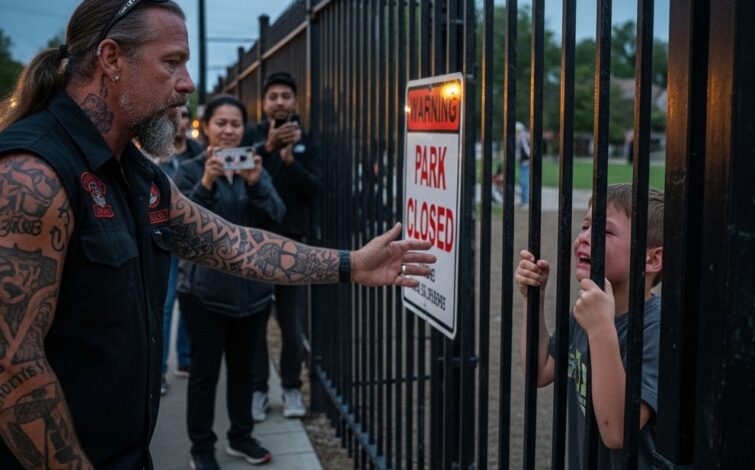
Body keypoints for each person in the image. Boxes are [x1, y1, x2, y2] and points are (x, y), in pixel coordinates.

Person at [0, 1, 434, 468]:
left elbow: (235, 244)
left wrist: (352, 264)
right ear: (111, 59)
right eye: (172, 62)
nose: (187, 82)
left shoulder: (136, 173)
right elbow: (12, 366)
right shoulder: (32, 175)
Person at [515, 184, 664, 469]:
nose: (584, 238)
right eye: (585, 226)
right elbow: (540, 370)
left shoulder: (654, 330)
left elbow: (618, 432)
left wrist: (600, 329)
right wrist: (534, 299)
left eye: (605, 232)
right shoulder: (587, 313)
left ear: (652, 259)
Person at [174, 94, 286, 467]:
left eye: (235, 124)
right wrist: (207, 182)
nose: (228, 130)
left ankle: (242, 437)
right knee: (204, 375)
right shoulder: (189, 170)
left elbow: (276, 216)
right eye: (220, 123)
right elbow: (182, 230)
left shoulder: (254, 167)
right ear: (206, 128)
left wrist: (255, 183)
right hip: (204, 294)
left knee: (244, 371)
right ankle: (201, 449)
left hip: (253, 294)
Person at [249, 71, 321, 422]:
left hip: (293, 245)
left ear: (295, 100)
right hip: (253, 244)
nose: (279, 102)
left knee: (292, 326)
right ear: (264, 103)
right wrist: (268, 148)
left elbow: (315, 189)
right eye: (273, 96)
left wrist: (291, 162)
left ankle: (292, 387)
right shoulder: (252, 137)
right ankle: (258, 390)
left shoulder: (308, 139)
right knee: (255, 324)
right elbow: (241, 180)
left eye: (285, 96)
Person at [159, 104, 201, 396]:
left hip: (192, 238)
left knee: (189, 300)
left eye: (186, 114)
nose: (180, 119)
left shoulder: (199, 152)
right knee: (165, 305)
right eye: (175, 112)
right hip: (164, 238)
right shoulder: (153, 149)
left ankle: (185, 359)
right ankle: (159, 370)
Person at [515, 122, 531, 207]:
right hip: (523, 161)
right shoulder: (521, 137)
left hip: (525, 161)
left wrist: (528, 158)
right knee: (523, 181)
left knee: (524, 181)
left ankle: (525, 200)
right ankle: (524, 199)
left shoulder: (523, 137)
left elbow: (526, 150)